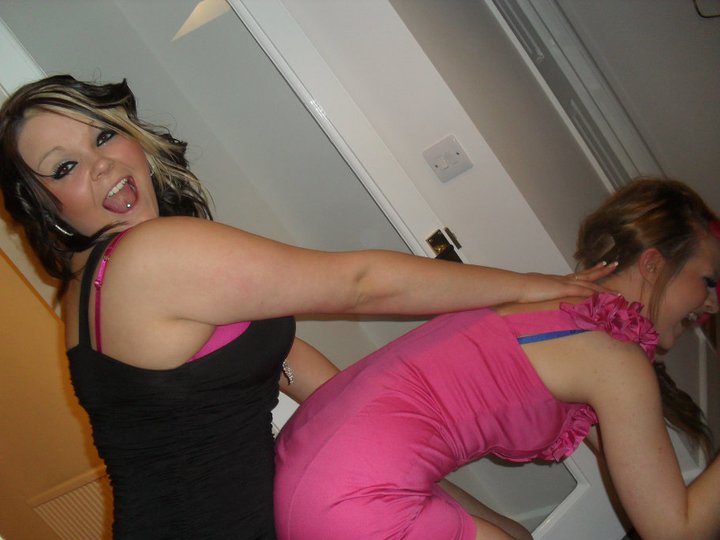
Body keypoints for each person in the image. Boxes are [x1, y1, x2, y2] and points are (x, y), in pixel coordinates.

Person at [0, 74, 613, 540]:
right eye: (65, 167)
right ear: (44, 208)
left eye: (103, 134)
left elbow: (309, 378)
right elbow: (362, 284)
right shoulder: (145, 259)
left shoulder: (88, 289)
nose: (102, 163)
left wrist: (453, 501)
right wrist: (529, 286)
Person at [274, 178, 720, 540]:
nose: (713, 303)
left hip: (308, 462)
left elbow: (643, 479)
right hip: (353, 502)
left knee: (515, 535)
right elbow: (675, 531)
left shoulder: (555, 310)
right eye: (708, 280)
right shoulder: (612, 359)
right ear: (653, 265)